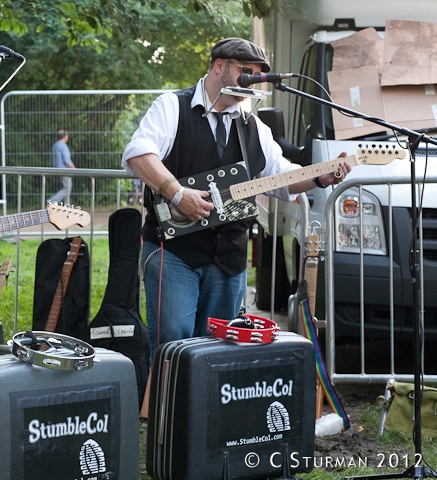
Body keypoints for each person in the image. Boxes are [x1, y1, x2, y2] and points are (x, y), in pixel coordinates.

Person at [121, 37, 351, 358]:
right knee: (173, 344)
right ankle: (166, 408)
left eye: (257, 75)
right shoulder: (172, 106)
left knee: (218, 351)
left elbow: (279, 178)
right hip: (175, 253)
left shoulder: (252, 125)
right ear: (219, 66)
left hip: (229, 257)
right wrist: (177, 193)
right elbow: (138, 154)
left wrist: (318, 176)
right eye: (246, 72)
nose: (252, 80)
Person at [48, 129, 75, 204]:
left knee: (66, 189)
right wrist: (75, 169)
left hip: (58, 170)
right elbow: (67, 160)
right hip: (65, 170)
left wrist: (54, 172)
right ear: (64, 136)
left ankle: (67, 207)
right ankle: (52, 201)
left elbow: (52, 161)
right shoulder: (63, 146)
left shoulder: (55, 145)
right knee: (67, 188)